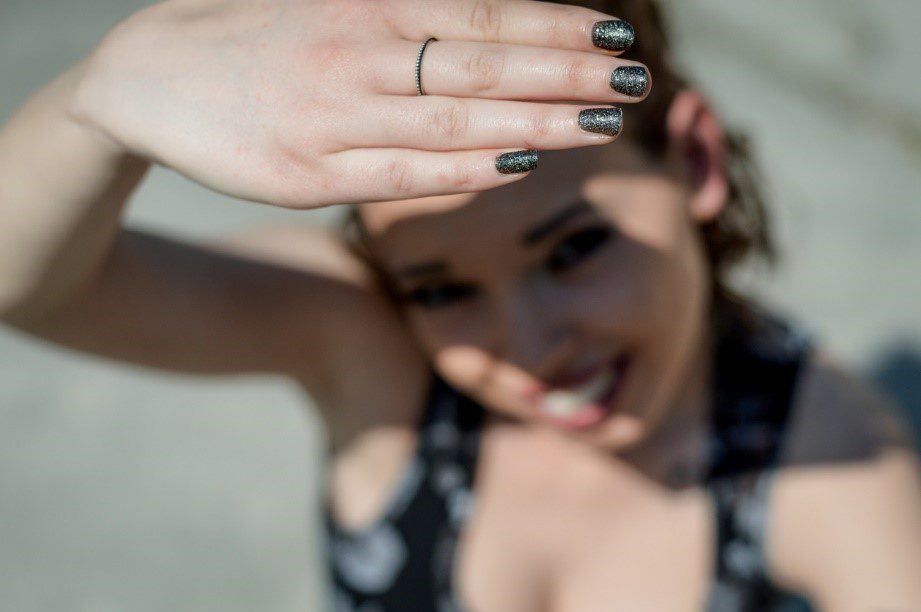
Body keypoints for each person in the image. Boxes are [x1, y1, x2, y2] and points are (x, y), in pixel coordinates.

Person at [1, 0, 919, 610]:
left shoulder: (819, 457)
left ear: (692, 161)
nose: (528, 349)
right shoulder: (368, 341)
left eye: (571, 248)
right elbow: (28, 285)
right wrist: (96, 104)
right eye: (439, 287)